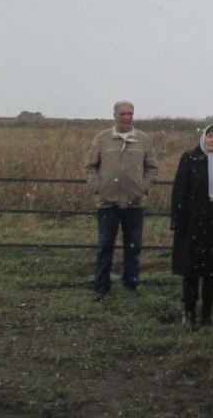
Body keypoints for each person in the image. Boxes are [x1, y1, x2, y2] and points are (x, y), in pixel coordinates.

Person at [85, 100, 158, 301]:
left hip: (134, 204)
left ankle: (130, 286)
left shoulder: (143, 140)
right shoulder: (102, 139)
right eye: (123, 114)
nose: (126, 117)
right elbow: (90, 166)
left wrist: (143, 187)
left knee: (133, 247)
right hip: (107, 203)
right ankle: (102, 287)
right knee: (105, 246)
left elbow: (152, 167)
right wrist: (98, 188)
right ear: (115, 115)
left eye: (130, 114)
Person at [170, 123, 213, 330]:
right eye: (210, 135)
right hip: (193, 222)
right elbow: (179, 191)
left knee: (212, 270)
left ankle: (207, 313)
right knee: (191, 270)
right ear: (203, 137)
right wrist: (179, 221)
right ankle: (189, 313)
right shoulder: (190, 158)